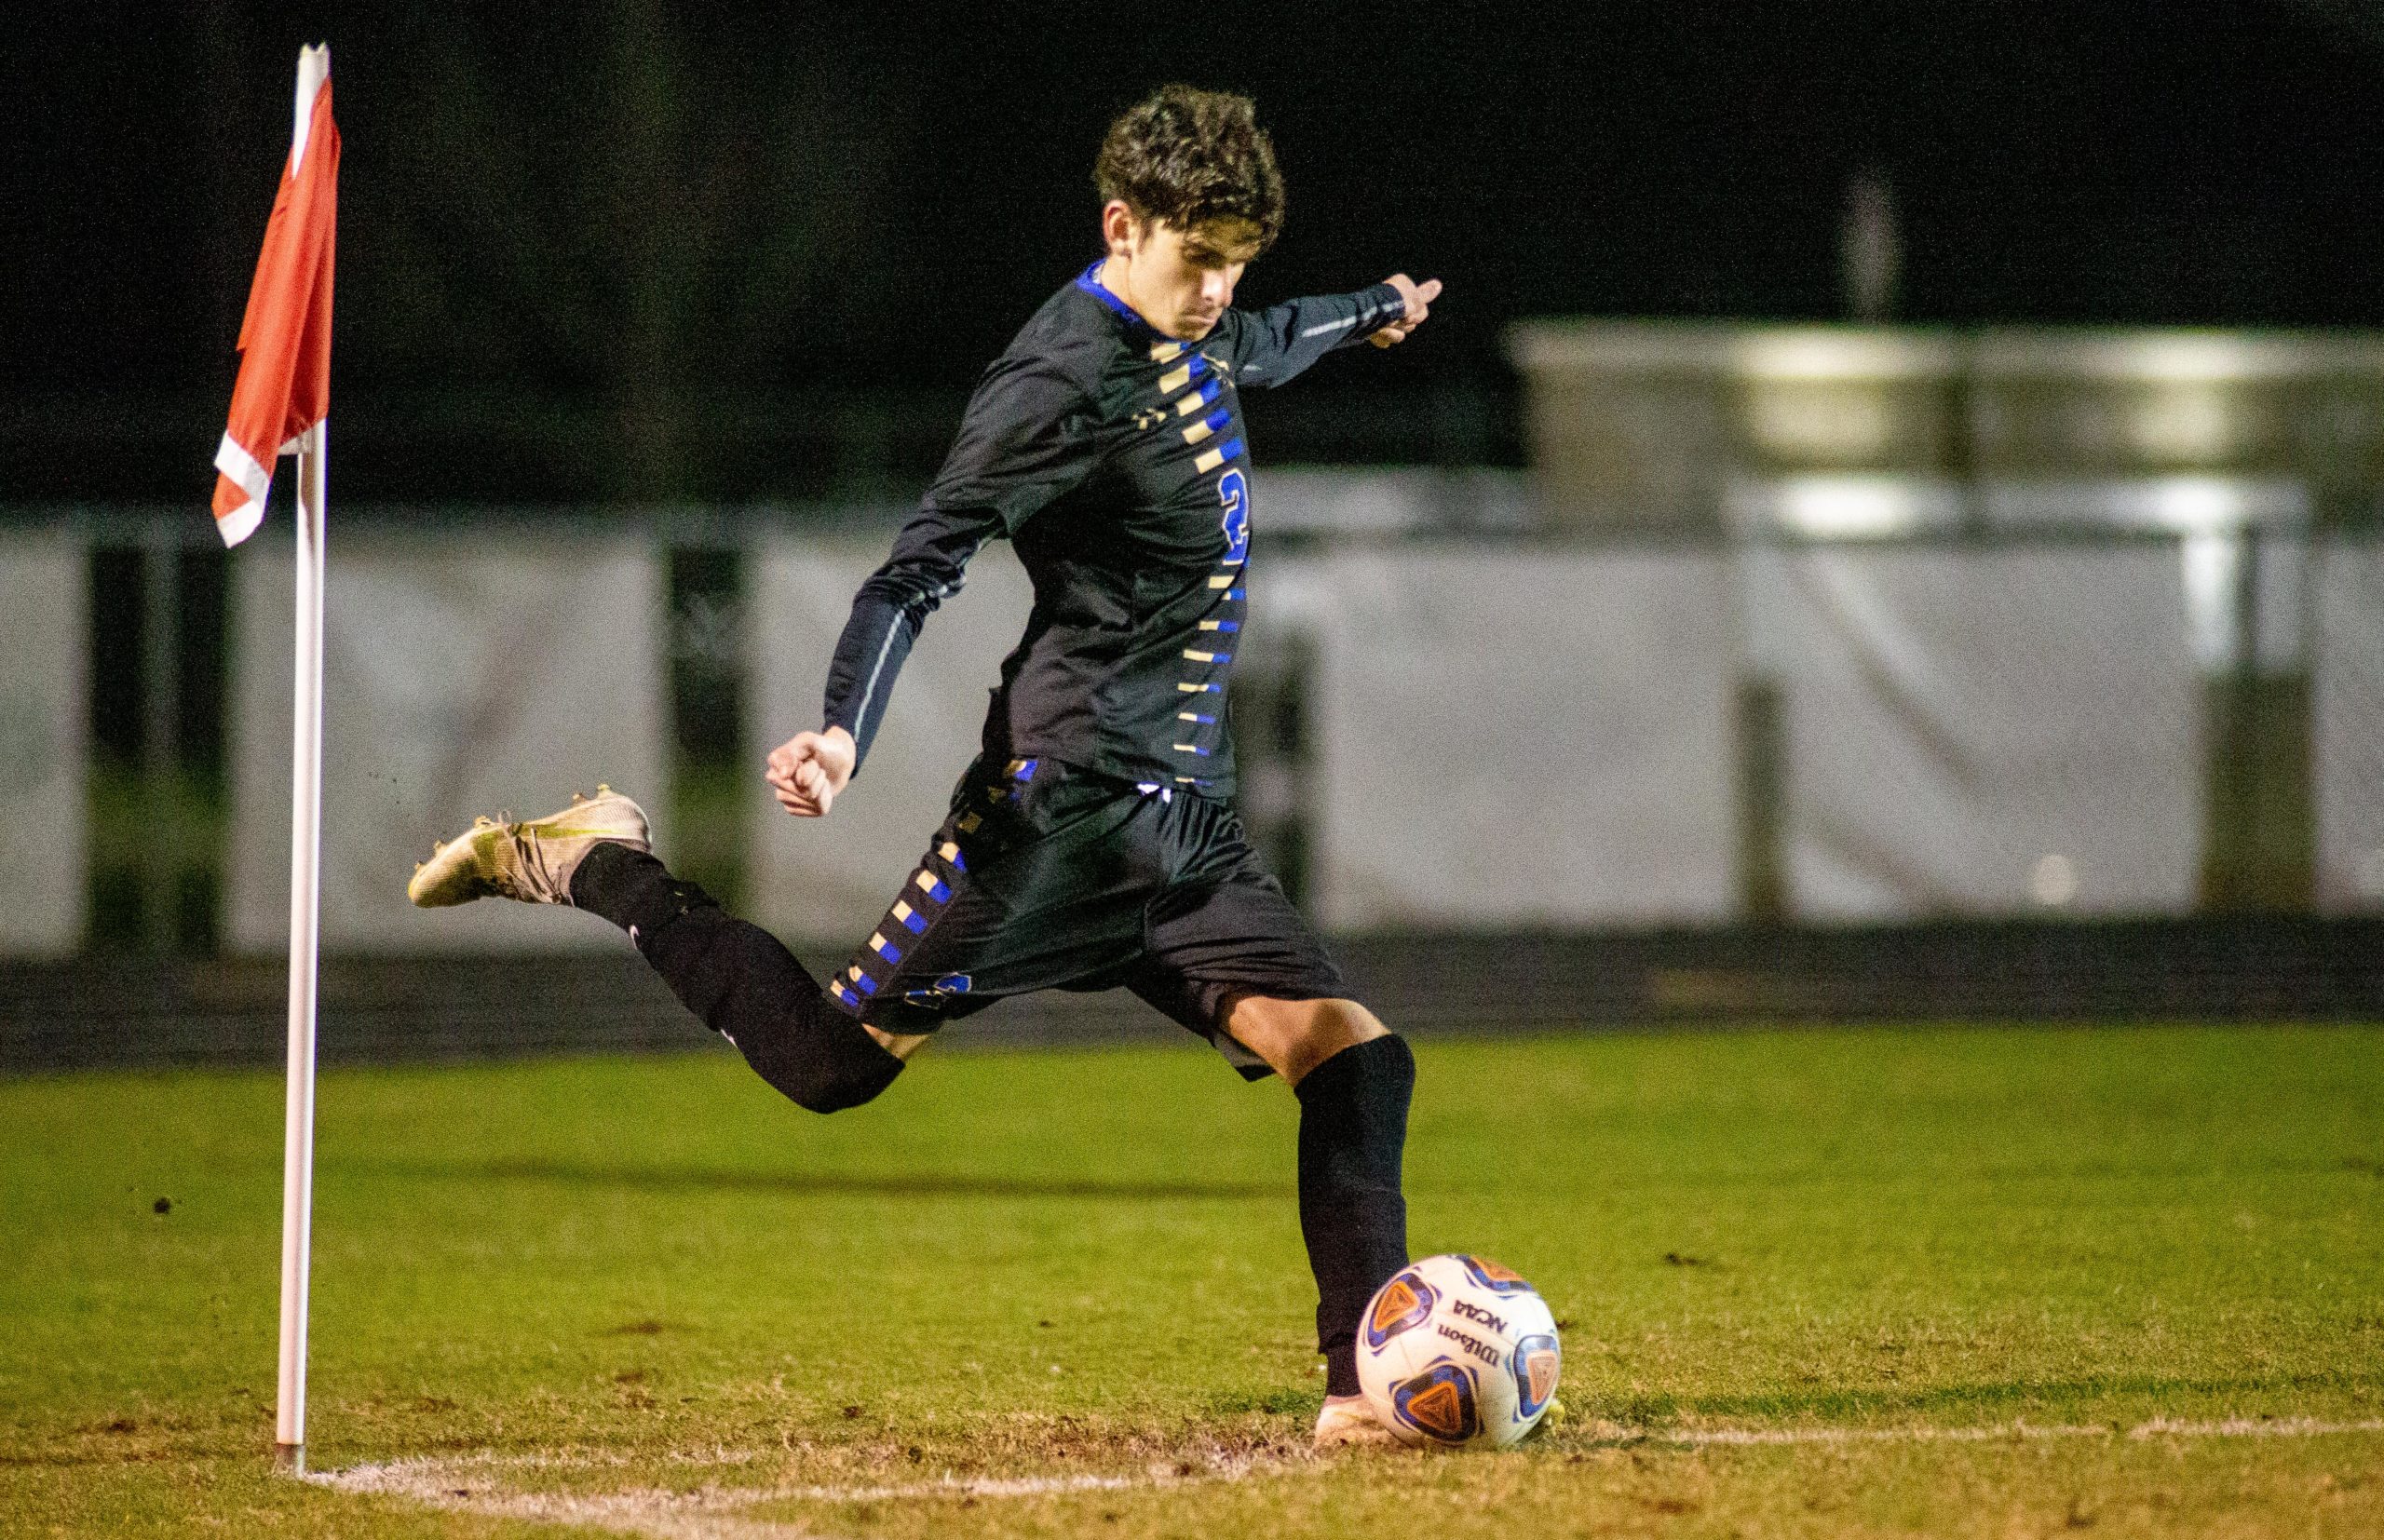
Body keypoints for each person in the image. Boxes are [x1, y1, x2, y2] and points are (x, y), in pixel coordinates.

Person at [410, 83, 1443, 1449]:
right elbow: (916, 572)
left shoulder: (1194, 321)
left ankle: (1360, 1392)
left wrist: (1370, 306)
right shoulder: (1054, 382)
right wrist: (844, 727)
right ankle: (604, 859)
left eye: (1237, 258)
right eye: (1197, 257)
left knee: (1356, 1059)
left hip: (1184, 824)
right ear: (1119, 226)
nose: (1219, 288)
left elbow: (1253, 342)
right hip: (1056, 820)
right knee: (832, 1066)